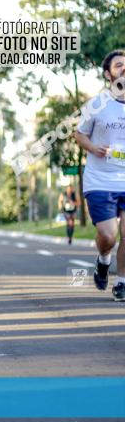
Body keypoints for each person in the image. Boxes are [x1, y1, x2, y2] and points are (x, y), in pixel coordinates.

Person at [74, 49, 125, 301]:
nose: (124, 68)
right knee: (109, 236)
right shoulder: (97, 104)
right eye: (119, 65)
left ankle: (122, 282)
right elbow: (79, 133)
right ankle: (103, 259)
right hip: (100, 180)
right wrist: (93, 147)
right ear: (108, 74)